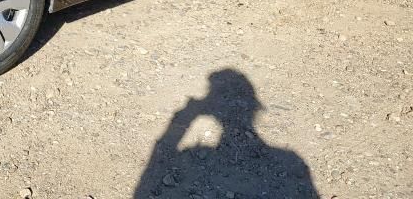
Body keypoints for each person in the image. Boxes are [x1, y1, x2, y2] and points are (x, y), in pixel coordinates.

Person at [135, 69, 319, 198]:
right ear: (255, 106)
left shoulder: (186, 154)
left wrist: (185, 116)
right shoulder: (291, 160)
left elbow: (151, 172)